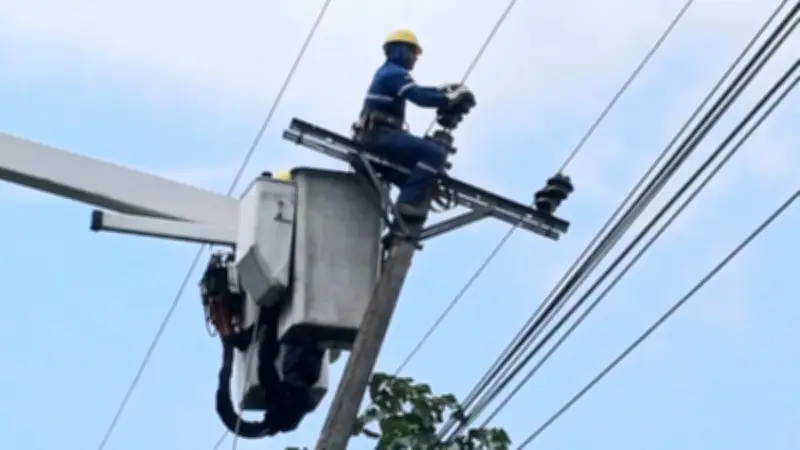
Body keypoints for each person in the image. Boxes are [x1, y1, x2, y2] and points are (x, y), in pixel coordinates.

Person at [358, 29, 472, 218]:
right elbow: (419, 97)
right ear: (401, 50)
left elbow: (420, 91)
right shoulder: (393, 73)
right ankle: (406, 204)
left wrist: (443, 91)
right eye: (413, 52)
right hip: (379, 136)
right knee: (434, 153)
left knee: (418, 178)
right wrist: (449, 98)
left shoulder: (390, 73)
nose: (415, 58)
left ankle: (404, 221)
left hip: (380, 136)